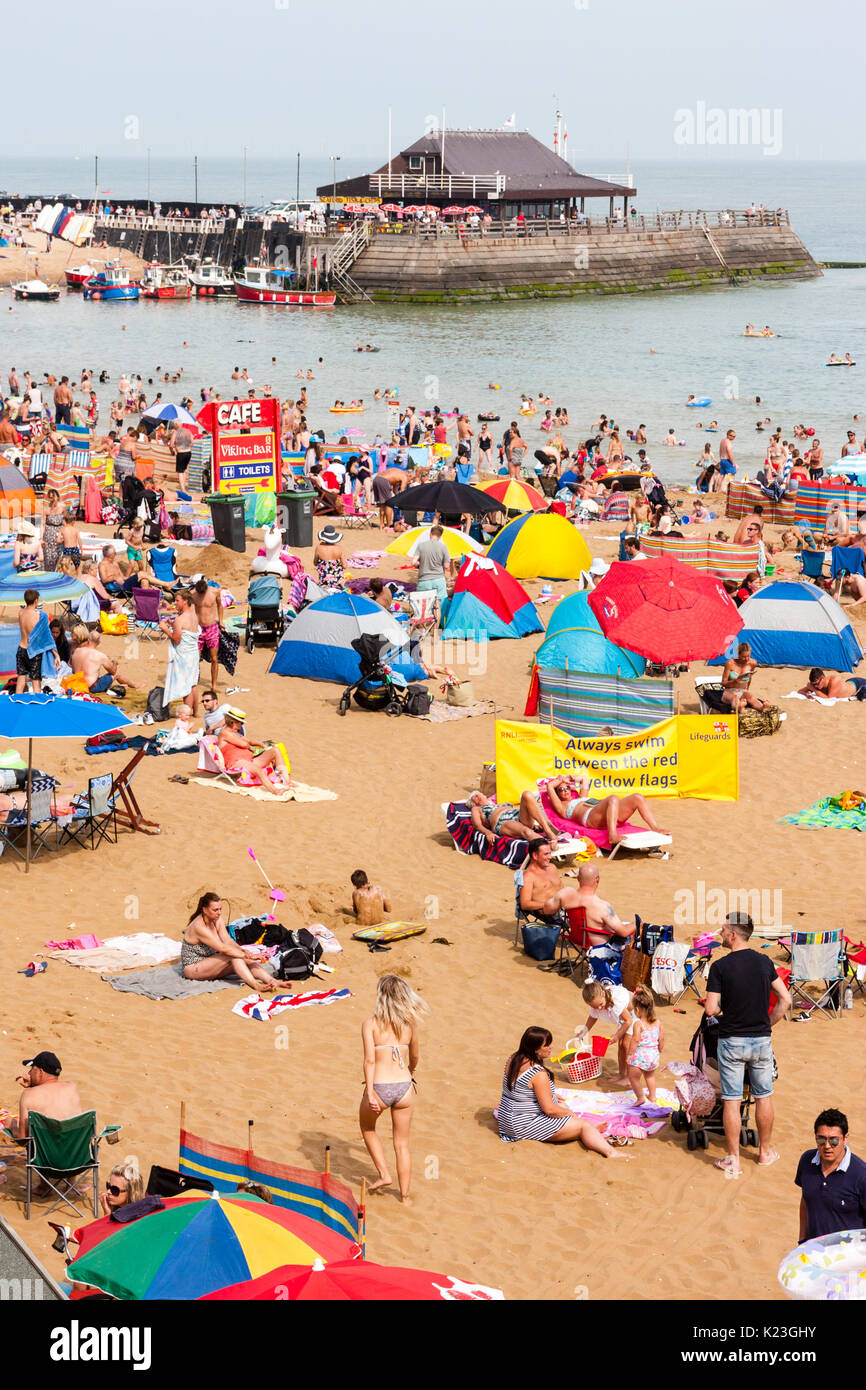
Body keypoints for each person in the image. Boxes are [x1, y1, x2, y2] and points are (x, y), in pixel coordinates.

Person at [704, 911, 791, 1178]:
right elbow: (785, 1000)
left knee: (731, 1100)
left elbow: (710, 1009)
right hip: (761, 1039)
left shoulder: (720, 967)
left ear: (732, 934)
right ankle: (764, 1152)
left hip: (732, 1040)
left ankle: (733, 1160)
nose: (720, 933)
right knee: (763, 1095)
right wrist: (767, 1023)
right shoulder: (764, 962)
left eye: (722, 930)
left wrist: (722, 1012)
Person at [497, 1026, 625, 1155]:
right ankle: (611, 1152)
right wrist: (570, 1114)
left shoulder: (513, 1058)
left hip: (507, 1119)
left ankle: (585, 1128)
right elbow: (550, 1110)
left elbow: (520, 1088)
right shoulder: (538, 1073)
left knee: (561, 1104)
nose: (551, 1047)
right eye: (546, 1045)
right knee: (582, 1125)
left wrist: (550, 1095)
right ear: (535, 1049)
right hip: (522, 1125)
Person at [359, 975, 429, 1203]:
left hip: (379, 1086)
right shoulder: (409, 1024)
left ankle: (384, 1174)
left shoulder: (370, 1024)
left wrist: (369, 1092)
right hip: (404, 1087)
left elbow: (369, 1061)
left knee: (368, 1128)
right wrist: (411, 1071)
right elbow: (416, 1056)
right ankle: (405, 1196)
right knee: (402, 1144)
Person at [181, 892, 278, 991]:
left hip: (211, 963)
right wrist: (246, 955)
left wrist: (243, 951)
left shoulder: (216, 919)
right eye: (215, 910)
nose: (219, 912)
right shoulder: (199, 927)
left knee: (245, 960)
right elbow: (223, 948)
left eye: (220, 909)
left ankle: (272, 980)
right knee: (234, 956)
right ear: (205, 910)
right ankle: (256, 985)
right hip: (194, 968)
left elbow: (227, 940)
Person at [795, 1109, 866, 1244]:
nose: (827, 1146)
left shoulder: (861, 1174)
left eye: (834, 1141)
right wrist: (802, 1241)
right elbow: (805, 1200)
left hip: (850, 1258)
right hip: (814, 1251)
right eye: (821, 1139)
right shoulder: (806, 1160)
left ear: (846, 1138)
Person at [545, 773, 668, 846]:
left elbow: (584, 778)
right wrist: (560, 780)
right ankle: (612, 835)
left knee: (637, 797)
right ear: (557, 794)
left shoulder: (582, 797)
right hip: (591, 819)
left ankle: (655, 827)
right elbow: (549, 786)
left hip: (607, 814)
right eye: (561, 789)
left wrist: (570, 777)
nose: (565, 790)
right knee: (613, 798)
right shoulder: (562, 807)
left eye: (567, 787)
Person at [9, 1052, 82, 1139]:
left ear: (40, 1072)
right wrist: (34, 1084)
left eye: (32, 1069)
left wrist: (11, 1126)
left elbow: (23, 1139)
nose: (29, 1072)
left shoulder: (28, 1095)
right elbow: (52, 1095)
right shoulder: (72, 1087)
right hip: (77, 1150)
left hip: (46, 1152)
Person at [217, 708, 291, 792]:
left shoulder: (235, 733)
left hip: (249, 760)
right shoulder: (224, 733)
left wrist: (262, 744)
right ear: (232, 722)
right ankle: (276, 791)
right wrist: (250, 747)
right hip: (236, 762)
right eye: (240, 722)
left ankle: (287, 781)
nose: (241, 725)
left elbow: (249, 741)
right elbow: (244, 744)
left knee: (276, 750)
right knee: (260, 771)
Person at [576, 980, 635, 1083]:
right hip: (624, 1016)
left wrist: (617, 1035)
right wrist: (584, 1031)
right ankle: (622, 1074)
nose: (599, 1008)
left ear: (603, 994)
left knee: (627, 1044)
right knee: (621, 1045)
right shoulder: (597, 1002)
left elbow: (628, 1020)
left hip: (635, 1011)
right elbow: (592, 1017)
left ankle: (630, 1077)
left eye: (600, 1004)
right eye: (595, 1007)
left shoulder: (615, 1000)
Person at [160, 588, 201, 717]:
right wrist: (173, 624)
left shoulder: (180, 619)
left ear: (185, 601)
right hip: (193, 653)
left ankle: (186, 714)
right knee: (193, 683)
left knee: (186, 686)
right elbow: (186, 632)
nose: (175, 603)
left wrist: (165, 629)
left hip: (184, 656)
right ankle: (196, 712)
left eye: (177, 601)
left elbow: (176, 639)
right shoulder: (194, 615)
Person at [468, 790, 558, 846]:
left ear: (485, 796)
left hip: (517, 814)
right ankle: (546, 844)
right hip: (503, 821)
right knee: (526, 831)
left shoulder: (498, 804)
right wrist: (488, 833)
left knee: (526, 794)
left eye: (478, 794)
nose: (477, 796)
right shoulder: (476, 809)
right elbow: (477, 825)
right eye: (474, 797)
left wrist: (534, 825)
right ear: (473, 803)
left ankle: (548, 830)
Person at [626, 984, 663, 1103]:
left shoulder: (638, 1024)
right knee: (650, 1076)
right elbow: (661, 1039)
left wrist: (629, 1054)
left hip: (641, 1056)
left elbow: (635, 1040)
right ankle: (652, 1096)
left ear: (637, 1010)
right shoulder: (658, 1022)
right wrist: (660, 1049)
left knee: (633, 1077)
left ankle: (640, 1098)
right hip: (653, 1056)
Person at [191, 577, 223, 690]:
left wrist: (221, 621)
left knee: (214, 658)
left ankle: (213, 685)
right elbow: (184, 606)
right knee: (195, 658)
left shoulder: (215, 592)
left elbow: (220, 605)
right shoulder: (193, 594)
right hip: (198, 629)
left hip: (212, 628)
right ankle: (194, 680)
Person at [721, 642, 768, 712]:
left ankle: (762, 707)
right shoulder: (730, 663)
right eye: (744, 656)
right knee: (734, 698)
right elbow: (723, 683)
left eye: (748, 656)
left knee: (751, 698)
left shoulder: (752, 663)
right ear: (738, 654)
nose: (746, 659)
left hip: (742, 690)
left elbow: (749, 679)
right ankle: (739, 707)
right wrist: (735, 681)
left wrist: (746, 690)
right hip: (729, 691)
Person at [414, 524, 451, 604]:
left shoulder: (421, 545)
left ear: (430, 534)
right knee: (437, 605)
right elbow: (446, 566)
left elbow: (414, 562)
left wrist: (419, 564)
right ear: (440, 536)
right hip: (439, 579)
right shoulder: (444, 547)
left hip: (424, 579)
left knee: (423, 606)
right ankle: (436, 617)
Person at [16, 588, 43, 693]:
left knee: (21, 679)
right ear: (36, 600)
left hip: (21, 648)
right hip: (33, 651)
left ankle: (17, 701)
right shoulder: (37, 616)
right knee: (35, 681)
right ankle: (38, 704)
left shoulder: (20, 613)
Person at [798, 667, 866, 701]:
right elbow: (800, 691)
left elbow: (829, 698)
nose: (816, 686)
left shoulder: (834, 680)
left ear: (823, 678)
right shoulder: (815, 683)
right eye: (814, 684)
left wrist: (813, 689)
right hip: (848, 683)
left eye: (817, 684)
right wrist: (807, 695)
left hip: (859, 686)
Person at [41, 489, 64, 571]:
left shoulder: (62, 506)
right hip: (48, 534)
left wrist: (64, 534)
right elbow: (43, 524)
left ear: (57, 497)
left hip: (59, 533)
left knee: (58, 556)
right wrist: (41, 538)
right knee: (48, 557)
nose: (52, 500)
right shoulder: (46, 508)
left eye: (53, 497)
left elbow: (65, 522)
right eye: (50, 498)